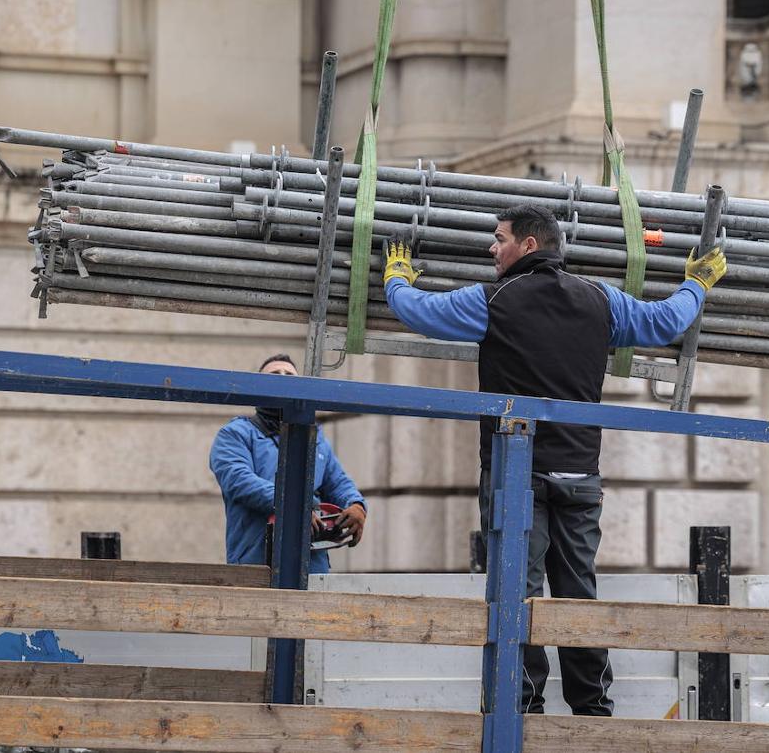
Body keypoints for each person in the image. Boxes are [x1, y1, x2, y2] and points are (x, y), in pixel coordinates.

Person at [381, 205, 727, 716]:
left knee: (515, 591)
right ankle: (592, 710)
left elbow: (420, 313)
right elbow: (664, 322)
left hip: (516, 472)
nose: (491, 249)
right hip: (580, 474)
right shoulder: (601, 300)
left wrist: (396, 280)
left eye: (499, 239)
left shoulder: (493, 300)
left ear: (529, 245)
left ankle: (521, 708)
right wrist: (697, 283)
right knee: (578, 592)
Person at [209, 353, 367, 573]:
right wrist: (294, 505)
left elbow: (339, 483)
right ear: (257, 388)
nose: (284, 378)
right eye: (275, 374)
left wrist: (357, 505)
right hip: (256, 565)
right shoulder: (235, 435)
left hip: (312, 567)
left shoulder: (315, 440)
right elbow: (238, 480)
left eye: (290, 374)